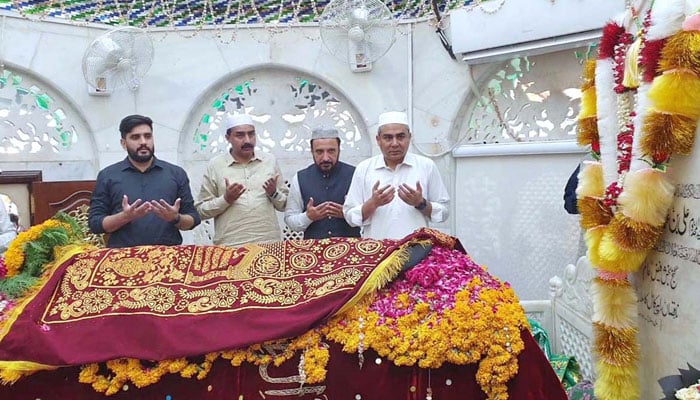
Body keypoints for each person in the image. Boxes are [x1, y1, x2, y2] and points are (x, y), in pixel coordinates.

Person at [88, 114, 201, 248]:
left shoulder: (176, 173)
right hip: (123, 260)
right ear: (123, 143)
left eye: (147, 136)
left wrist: (175, 218)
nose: (143, 142)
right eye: (135, 137)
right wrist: (125, 216)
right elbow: (95, 224)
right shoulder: (108, 176)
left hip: (167, 259)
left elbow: (193, 219)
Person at [343, 111, 450, 239]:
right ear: (378, 140)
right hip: (377, 251)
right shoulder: (364, 169)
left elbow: (444, 212)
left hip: (416, 250)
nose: (394, 143)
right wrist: (373, 203)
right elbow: (349, 216)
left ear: (409, 137)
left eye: (400, 137)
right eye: (388, 138)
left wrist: (420, 203)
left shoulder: (426, 166)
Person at [196, 114, 287, 246]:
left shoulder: (269, 161)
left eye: (251, 134)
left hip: (269, 245)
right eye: (240, 135)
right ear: (228, 138)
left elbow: (284, 205)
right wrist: (226, 199)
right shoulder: (215, 165)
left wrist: (273, 193)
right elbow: (200, 211)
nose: (247, 140)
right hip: (230, 247)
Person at [284, 127, 360, 239]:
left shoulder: (356, 175)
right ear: (312, 151)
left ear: (339, 149)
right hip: (313, 252)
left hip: (350, 251)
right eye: (319, 152)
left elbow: (368, 216)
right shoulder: (300, 178)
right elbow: (290, 219)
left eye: (331, 151)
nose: (325, 158)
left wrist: (347, 214)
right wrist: (308, 217)